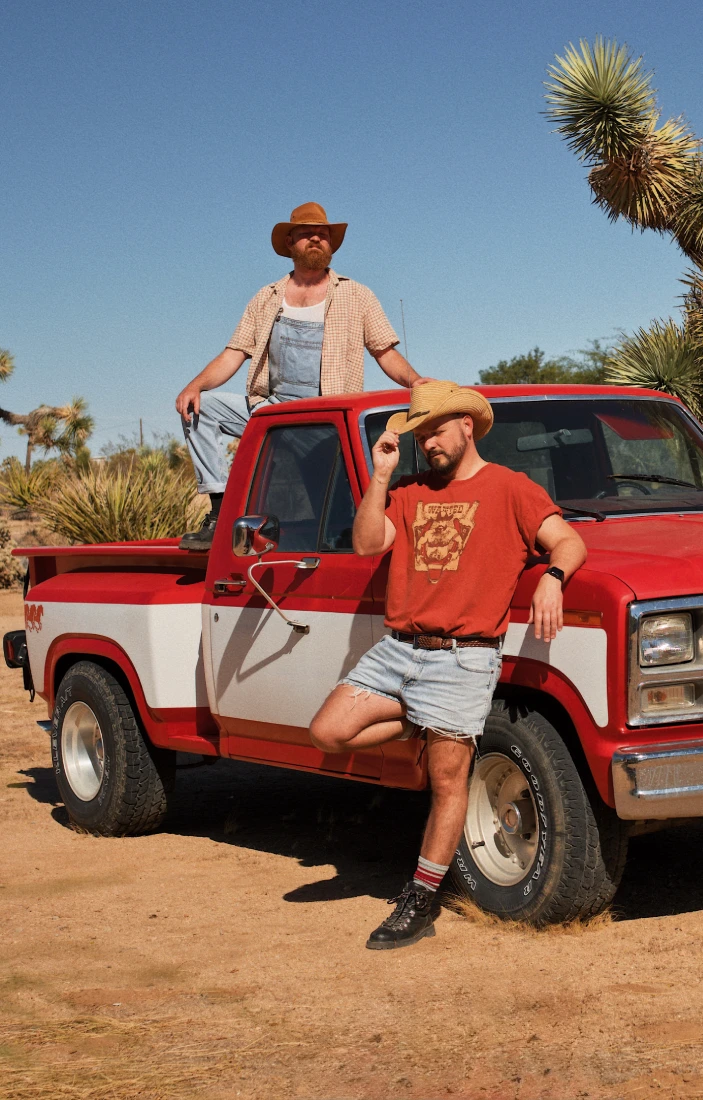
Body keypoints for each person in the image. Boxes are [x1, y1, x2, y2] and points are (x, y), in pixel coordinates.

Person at [308, 381, 587, 950]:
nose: (427, 442)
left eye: (435, 429)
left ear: (467, 426)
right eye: (420, 433)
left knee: (447, 781)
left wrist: (554, 580)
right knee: (327, 730)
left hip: (464, 658)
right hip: (399, 649)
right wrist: (381, 474)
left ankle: (420, 898)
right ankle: (424, 718)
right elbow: (365, 545)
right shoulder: (408, 493)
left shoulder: (509, 488)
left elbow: (568, 541)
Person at [176, 202, 425, 550]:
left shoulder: (356, 295)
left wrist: (415, 381)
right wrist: (195, 385)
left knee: (339, 517)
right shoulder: (266, 298)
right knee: (200, 409)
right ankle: (218, 511)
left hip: (327, 418)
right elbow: (235, 352)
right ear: (290, 243)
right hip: (273, 410)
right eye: (307, 234)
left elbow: (384, 350)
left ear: (331, 245)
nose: (316, 239)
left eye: (323, 235)